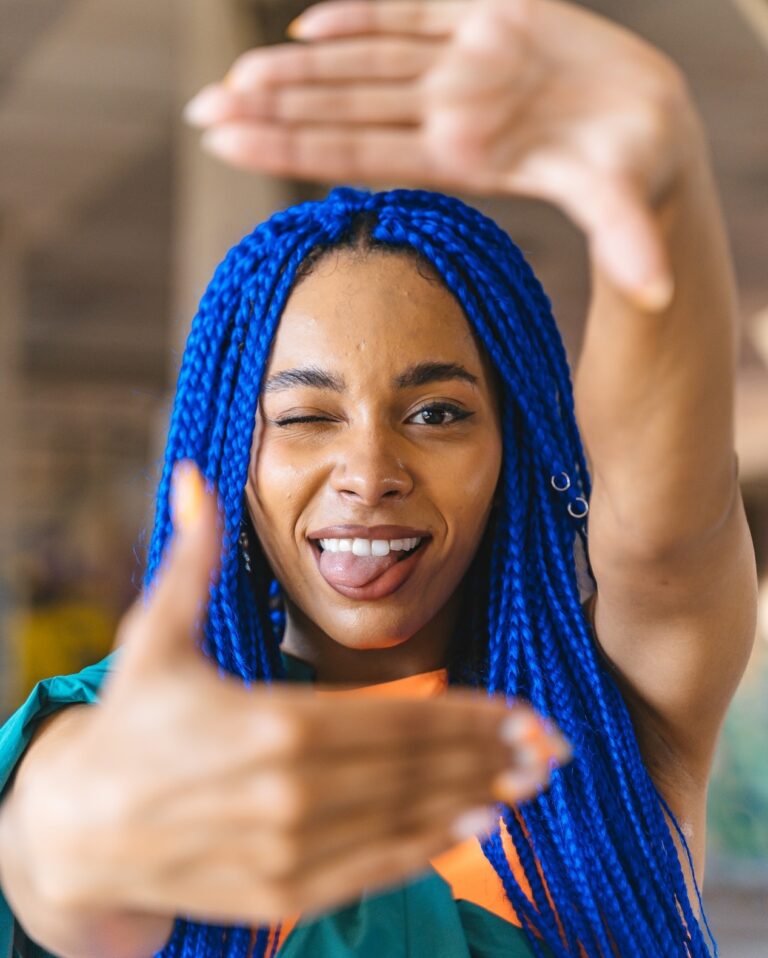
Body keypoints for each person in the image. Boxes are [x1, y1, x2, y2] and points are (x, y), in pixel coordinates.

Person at [0, 1, 758, 956]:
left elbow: (665, 535)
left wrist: (662, 195)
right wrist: (79, 833)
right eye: (307, 418)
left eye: (437, 414)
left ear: (513, 448)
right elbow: (55, 846)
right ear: (233, 458)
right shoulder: (133, 736)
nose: (368, 473)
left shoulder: (610, 719)